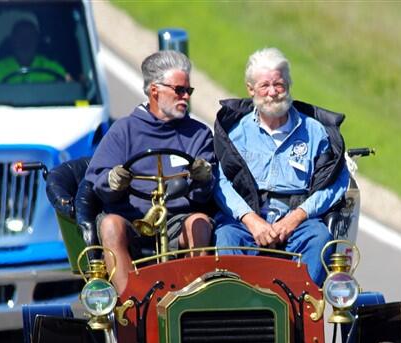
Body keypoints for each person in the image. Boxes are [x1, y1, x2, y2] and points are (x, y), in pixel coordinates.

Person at [76, 50, 216, 293]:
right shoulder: (124, 131)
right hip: (132, 220)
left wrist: (203, 178)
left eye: (188, 91)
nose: (185, 97)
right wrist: (113, 180)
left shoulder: (199, 134)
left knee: (199, 223)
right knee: (110, 225)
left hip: (177, 221)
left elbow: (204, 195)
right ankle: (131, 305)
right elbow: (97, 180)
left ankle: (192, 300)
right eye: (179, 90)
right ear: (155, 91)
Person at [213, 47, 349, 286]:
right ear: (250, 89)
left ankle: (301, 307)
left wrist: (296, 218)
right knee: (225, 236)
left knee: (320, 238)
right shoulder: (235, 133)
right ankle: (239, 309)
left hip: (298, 223)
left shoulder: (315, 132)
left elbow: (336, 182)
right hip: (248, 223)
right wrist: (251, 220)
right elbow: (220, 181)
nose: (273, 93)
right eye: (265, 86)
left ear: (288, 85)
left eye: (279, 85)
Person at [0, 20, 69, 85]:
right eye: (20, 37)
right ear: (12, 41)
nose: (25, 42)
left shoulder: (53, 67)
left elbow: (70, 93)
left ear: (37, 40)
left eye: (30, 36)